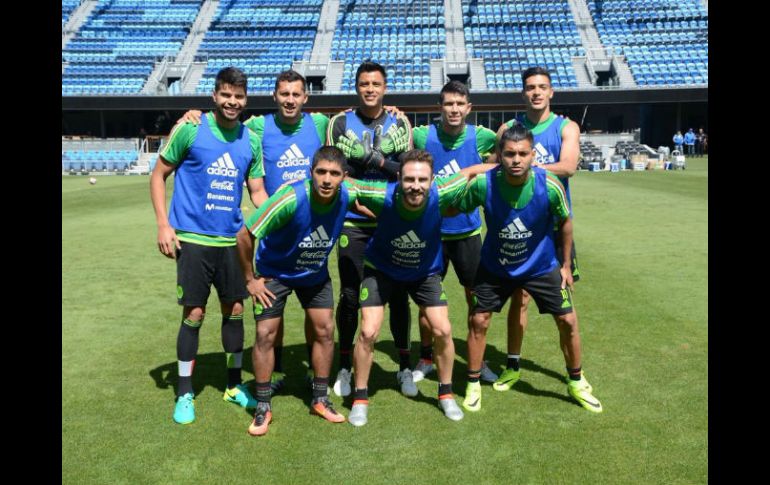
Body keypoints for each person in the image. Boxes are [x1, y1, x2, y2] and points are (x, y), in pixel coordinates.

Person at [176, 70, 330, 393]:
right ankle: (277, 370)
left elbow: (351, 122)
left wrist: (395, 112)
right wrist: (190, 116)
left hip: (309, 233)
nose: (290, 100)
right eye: (284, 94)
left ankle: (313, 374)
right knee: (274, 308)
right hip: (273, 234)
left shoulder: (319, 125)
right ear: (274, 96)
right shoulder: (258, 128)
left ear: (306, 97)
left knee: (315, 311)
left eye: (296, 94)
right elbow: (225, 124)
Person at [454, 125, 603, 413]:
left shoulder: (549, 185)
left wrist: (565, 265)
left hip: (541, 266)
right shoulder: (485, 183)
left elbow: (566, 223)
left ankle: (576, 381)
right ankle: (472, 384)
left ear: (533, 155)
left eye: (523, 153)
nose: (516, 159)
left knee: (569, 321)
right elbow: (456, 206)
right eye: (509, 154)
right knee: (478, 320)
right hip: (495, 266)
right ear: (500, 155)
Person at [149, 67, 266, 424]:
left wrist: (277, 218)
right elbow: (158, 175)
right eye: (226, 95)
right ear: (215, 96)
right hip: (192, 240)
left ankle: (233, 385)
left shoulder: (251, 140)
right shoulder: (191, 128)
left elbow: (257, 190)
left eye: (239, 96)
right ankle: (185, 392)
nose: (232, 102)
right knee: (194, 314)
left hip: (232, 241)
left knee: (235, 310)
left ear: (246, 100)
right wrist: (163, 224)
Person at [346, 149, 494, 426]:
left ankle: (446, 394)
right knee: (367, 331)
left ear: (433, 180)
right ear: (399, 178)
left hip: (424, 272)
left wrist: (523, 169)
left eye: (422, 180)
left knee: (443, 329)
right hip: (381, 270)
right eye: (410, 179)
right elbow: (345, 185)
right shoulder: (381, 194)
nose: (416, 186)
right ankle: (360, 398)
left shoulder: (443, 190)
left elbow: (472, 171)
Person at [236, 146, 353, 436]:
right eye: (321, 172)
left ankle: (320, 398)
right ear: (310, 172)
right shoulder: (290, 197)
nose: (327, 179)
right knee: (265, 334)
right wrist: (251, 280)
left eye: (334, 173)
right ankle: (263, 406)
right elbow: (244, 235)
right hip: (274, 272)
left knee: (325, 331)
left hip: (313, 273)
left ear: (344, 177)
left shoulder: (347, 196)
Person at [327, 61, 416, 398]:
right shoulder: (339, 122)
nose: (370, 89)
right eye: (364, 83)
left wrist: (375, 160)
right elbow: (334, 172)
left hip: (391, 221)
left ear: (384, 87)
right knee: (350, 296)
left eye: (376, 84)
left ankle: (404, 367)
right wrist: (360, 195)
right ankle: (345, 366)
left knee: (399, 296)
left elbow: (408, 173)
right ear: (356, 86)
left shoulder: (400, 121)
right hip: (353, 220)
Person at [491, 67, 581, 393]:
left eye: (542, 87)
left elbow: (569, 166)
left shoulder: (565, 127)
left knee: (564, 306)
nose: (536, 93)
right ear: (523, 92)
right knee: (520, 299)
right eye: (530, 87)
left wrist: (529, 168)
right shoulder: (508, 130)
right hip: (520, 229)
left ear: (552, 92)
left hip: (554, 227)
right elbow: (494, 166)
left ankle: (575, 377)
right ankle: (512, 364)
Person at [410, 80, 499, 384]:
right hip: (431, 234)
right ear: (439, 107)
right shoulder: (423, 135)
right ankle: (425, 358)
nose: (454, 109)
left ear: (469, 108)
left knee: (477, 300)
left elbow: (501, 162)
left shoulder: (482, 136)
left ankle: (479, 359)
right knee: (426, 302)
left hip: (468, 234)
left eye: (460, 104)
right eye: (448, 104)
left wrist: (472, 170)